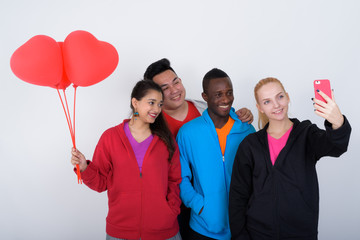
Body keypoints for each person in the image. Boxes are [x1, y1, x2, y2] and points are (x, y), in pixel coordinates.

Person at [229, 77, 351, 240]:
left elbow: (336, 147)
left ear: (287, 97)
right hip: (258, 234)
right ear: (260, 108)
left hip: (301, 233)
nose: (276, 105)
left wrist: (338, 122)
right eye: (267, 102)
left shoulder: (307, 134)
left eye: (279, 97)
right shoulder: (250, 145)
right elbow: (238, 197)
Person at [144, 59, 254, 239]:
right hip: (179, 206)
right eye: (165, 88)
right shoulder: (151, 124)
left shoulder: (202, 108)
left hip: (221, 208)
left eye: (176, 82)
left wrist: (242, 115)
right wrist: (199, 205)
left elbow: (224, 110)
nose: (174, 90)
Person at [71, 80, 182, 240]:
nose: (156, 109)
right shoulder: (110, 138)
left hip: (163, 230)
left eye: (160, 104)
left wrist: (170, 211)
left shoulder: (166, 140)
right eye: (151, 103)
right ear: (135, 103)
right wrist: (84, 167)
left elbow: (175, 180)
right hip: (121, 231)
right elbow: (101, 183)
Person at [176, 68, 256, 240]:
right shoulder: (188, 133)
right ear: (205, 97)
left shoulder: (247, 130)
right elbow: (180, 177)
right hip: (202, 228)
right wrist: (199, 205)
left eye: (229, 92)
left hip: (243, 226)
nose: (226, 99)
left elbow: (257, 175)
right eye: (218, 94)